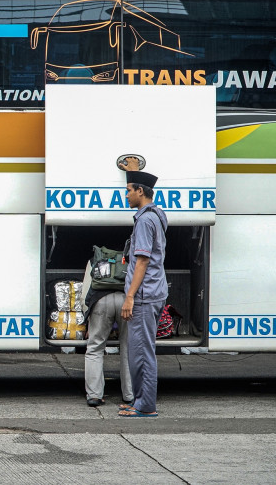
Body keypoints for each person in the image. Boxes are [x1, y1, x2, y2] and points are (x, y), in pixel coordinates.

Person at [118, 159, 168, 418]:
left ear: (140, 191)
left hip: (144, 295)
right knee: (138, 350)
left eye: (128, 190)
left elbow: (142, 261)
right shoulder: (156, 214)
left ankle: (145, 405)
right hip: (150, 293)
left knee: (142, 351)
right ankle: (139, 400)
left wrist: (129, 297)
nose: (125, 195)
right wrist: (132, 172)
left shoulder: (146, 221)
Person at [83, 266, 133, 407]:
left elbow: (85, 292)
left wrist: (87, 320)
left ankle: (94, 395)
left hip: (100, 300)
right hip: (126, 299)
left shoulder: (96, 258)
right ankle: (129, 395)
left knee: (95, 347)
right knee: (128, 348)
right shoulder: (131, 257)